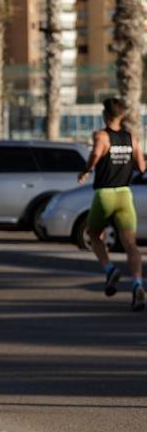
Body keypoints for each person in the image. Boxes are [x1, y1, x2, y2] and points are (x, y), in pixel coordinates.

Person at [79, 97, 146, 309]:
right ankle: (137, 283)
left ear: (105, 115)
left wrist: (86, 170)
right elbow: (142, 168)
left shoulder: (102, 136)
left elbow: (96, 155)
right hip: (125, 195)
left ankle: (109, 270)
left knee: (93, 233)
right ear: (122, 115)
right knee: (130, 244)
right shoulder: (131, 138)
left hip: (105, 194)